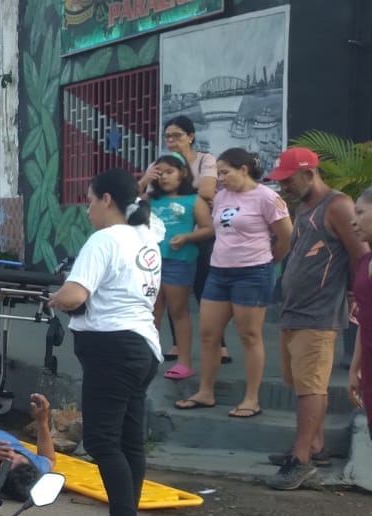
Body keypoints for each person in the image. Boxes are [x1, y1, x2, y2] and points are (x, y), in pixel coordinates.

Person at [47, 168, 165, 516]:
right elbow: (152, 218)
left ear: (108, 201)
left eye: (90, 200)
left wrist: (55, 297)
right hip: (142, 346)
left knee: (101, 440)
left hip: (112, 349)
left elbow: (75, 294)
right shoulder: (146, 235)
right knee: (129, 440)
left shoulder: (105, 239)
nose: (87, 210)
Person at [267, 148, 370, 489]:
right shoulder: (303, 206)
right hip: (296, 308)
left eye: (289, 179)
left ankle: (302, 461)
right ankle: (314, 444)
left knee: (311, 386)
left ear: (309, 173)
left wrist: (357, 296)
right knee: (301, 383)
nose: (285, 186)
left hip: (320, 312)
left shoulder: (337, 205)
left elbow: (360, 253)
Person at [174, 149, 293, 418]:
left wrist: (272, 260)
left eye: (225, 172)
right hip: (219, 272)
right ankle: (205, 392)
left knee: (249, 336)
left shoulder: (267, 197)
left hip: (252, 274)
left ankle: (251, 398)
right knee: (208, 334)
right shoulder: (221, 197)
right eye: (219, 173)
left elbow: (286, 236)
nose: (221, 179)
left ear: (244, 169)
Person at [146, 153, 213, 381]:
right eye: (160, 172)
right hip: (150, 263)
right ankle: (148, 358)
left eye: (169, 172)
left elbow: (208, 228)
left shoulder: (194, 200)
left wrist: (186, 237)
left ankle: (184, 362)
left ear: (182, 173)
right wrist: (145, 180)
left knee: (178, 311)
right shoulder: (150, 201)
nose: (164, 177)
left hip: (180, 261)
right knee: (152, 311)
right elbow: (127, 206)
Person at [345, 188, 372, 516]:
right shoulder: (364, 263)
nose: (354, 220)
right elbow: (362, 320)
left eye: (361, 212)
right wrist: (355, 368)